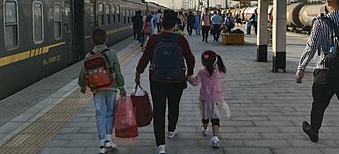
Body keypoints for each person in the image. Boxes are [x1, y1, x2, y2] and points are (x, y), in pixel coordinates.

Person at [295, 0, 339, 154]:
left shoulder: (320, 22)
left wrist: (301, 68)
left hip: (324, 72)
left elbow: (311, 47)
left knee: (318, 104)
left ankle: (314, 131)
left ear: (328, 2)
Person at [135, 10, 195, 154]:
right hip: (177, 80)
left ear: (161, 23)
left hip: (157, 81)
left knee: (159, 110)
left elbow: (144, 59)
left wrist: (138, 73)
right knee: (174, 106)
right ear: (175, 25)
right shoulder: (180, 40)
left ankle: (160, 145)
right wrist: (189, 73)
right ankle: (171, 130)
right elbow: (190, 59)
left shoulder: (154, 39)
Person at [78, 29, 127, 154]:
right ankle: (109, 140)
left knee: (100, 113)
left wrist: (83, 86)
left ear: (92, 41)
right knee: (110, 112)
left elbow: (82, 75)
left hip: (97, 89)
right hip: (111, 87)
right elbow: (118, 72)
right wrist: (121, 88)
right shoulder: (112, 53)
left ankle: (101, 143)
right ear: (106, 40)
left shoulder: (88, 56)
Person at [187, 50, 230, 148]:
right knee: (215, 119)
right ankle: (215, 138)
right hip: (218, 99)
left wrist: (188, 77)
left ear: (203, 62)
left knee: (205, 116)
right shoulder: (219, 71)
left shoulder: (202, 72)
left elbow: (195, 83)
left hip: (205, 99)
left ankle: (205, 129)